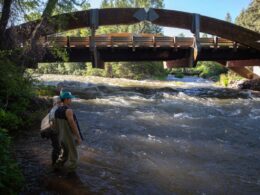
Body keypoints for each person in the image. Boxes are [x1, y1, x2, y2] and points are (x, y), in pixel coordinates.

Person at [55, 91, 82, 173]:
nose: (71, 100)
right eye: (70, 98)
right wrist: (78, 137)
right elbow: (72, 124)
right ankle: (70, 175)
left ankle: (57, 168)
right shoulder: (68, 111)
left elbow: (55, 125)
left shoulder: (57, 110)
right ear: (66, 99)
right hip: (69, 137)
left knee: (64, 154)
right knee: (74, 157)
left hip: (61, 137)